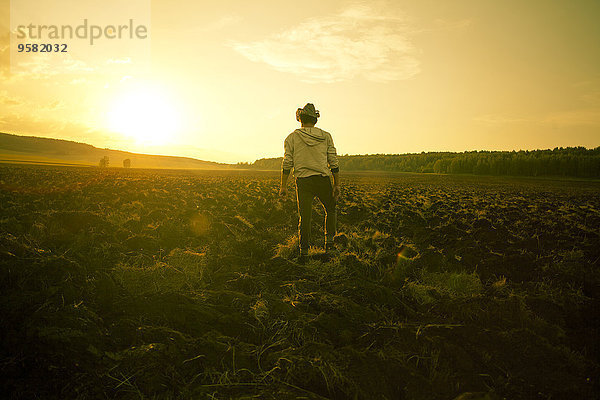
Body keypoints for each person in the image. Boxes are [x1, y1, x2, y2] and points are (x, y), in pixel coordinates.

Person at [279, 103, 340, 262]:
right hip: (322, 179)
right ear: (315, 120)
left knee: (305, 217)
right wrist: (337, 184)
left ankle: (304, 252)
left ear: (300, 119)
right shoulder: (326, 136)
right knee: (331, 209)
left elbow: (287, 163)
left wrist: (283, 186)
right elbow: (333, 161)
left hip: (303, 181)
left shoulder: (291, 137)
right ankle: (330, 244)